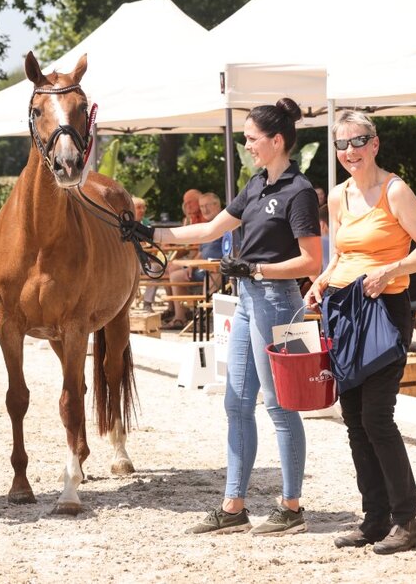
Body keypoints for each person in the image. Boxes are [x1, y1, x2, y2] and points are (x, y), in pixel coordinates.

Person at [149, 98, 321, 536]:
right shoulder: (256, 184)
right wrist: (151, 234)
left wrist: (257, 268)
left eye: (251, 138)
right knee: (235, 403)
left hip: (280, 300)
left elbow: (311, 262)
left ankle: (292, 506)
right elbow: (208, 231)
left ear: (276, 140)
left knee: (279, 406)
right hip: (247, 299)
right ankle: (233, 506)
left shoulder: (298, 192)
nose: (246, 146)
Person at [305, 111, 416, 555]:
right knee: (354, 422)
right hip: (344, 312)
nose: (350, 152)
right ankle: (375, 520)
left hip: (385, 310)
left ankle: (407, 521)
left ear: (375, 143)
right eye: (342, 145)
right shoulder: (340, 197)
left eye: (358, 141)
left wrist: (392, 269)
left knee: (377, 417)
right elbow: (341, 256)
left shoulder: (395, 191)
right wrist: (320, 283)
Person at [165, 192, 225, 328]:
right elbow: (201, 252)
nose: (204, 209)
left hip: (220, 270)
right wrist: (190, 267)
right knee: (176, 275)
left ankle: (202, 321)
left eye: (207, 205)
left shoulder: (225, 223)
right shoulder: (208, 226)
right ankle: (180, 317)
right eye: (202, 206)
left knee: (212, 274)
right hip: (203, 268)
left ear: (217, 205)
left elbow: (234, 249)